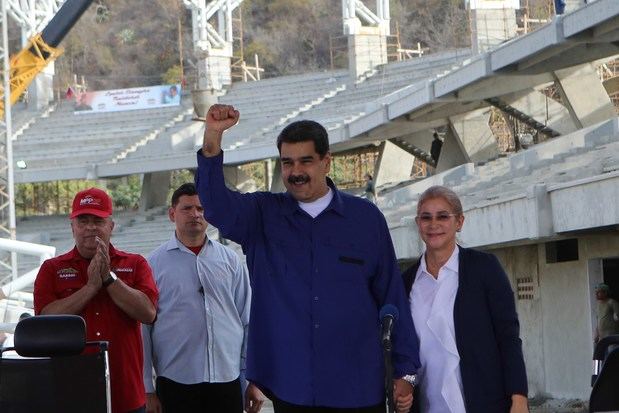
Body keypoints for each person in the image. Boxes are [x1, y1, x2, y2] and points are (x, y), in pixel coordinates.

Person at [196, 104, 420, 413]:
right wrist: (213, 136)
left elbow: (391, 296)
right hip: (292, 386)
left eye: (306, 161)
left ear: (326, 162)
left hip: (357, 386)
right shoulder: (261, 216)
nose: (296, 172)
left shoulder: (366, 219)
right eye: (287, 162)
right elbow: (216, 206)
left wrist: (405, 370)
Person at [402, 185, 528, 413]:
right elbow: (403, 349)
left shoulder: (485, 268)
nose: (433, 225)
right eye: (426, 217)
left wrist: (519, 397)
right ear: (417, 223)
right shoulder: (406, 282)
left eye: (443, 216)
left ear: (459, 222)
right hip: (428, 405)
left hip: (485, 403)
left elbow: (508, 337)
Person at [33, 187, 159, 413]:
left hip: (126, 394)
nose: (90, 227)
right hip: (71, 393)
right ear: (72, 227)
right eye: (83, 221)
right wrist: (90, 288)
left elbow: (148, 313)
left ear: (111, 226)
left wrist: (109, 279)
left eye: (98, 220)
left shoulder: (136, 263)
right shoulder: (51, 269)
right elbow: (45, 323)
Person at [142, 183, 258, 413]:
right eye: (187, 208)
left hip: (227, 378)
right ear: (172, 213)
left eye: (201, 208)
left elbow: (248, 320)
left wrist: (252, 378)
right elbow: (144, 329)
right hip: (175, 380)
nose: (195, 214)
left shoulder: (231, 260)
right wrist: (147, 387)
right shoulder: (153, 264)